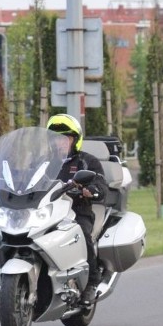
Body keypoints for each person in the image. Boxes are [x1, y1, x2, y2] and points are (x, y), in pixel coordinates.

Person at [46, 114, 108, 305]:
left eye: (65, 138)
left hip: (77, 211)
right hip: (47, 212)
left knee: (81, 234)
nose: (60, 143)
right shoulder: (43, 163)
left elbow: (101, 186)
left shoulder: (86, 162)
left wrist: (91, 191)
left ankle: (92, 282)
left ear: (75, 140)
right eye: (55, 138)